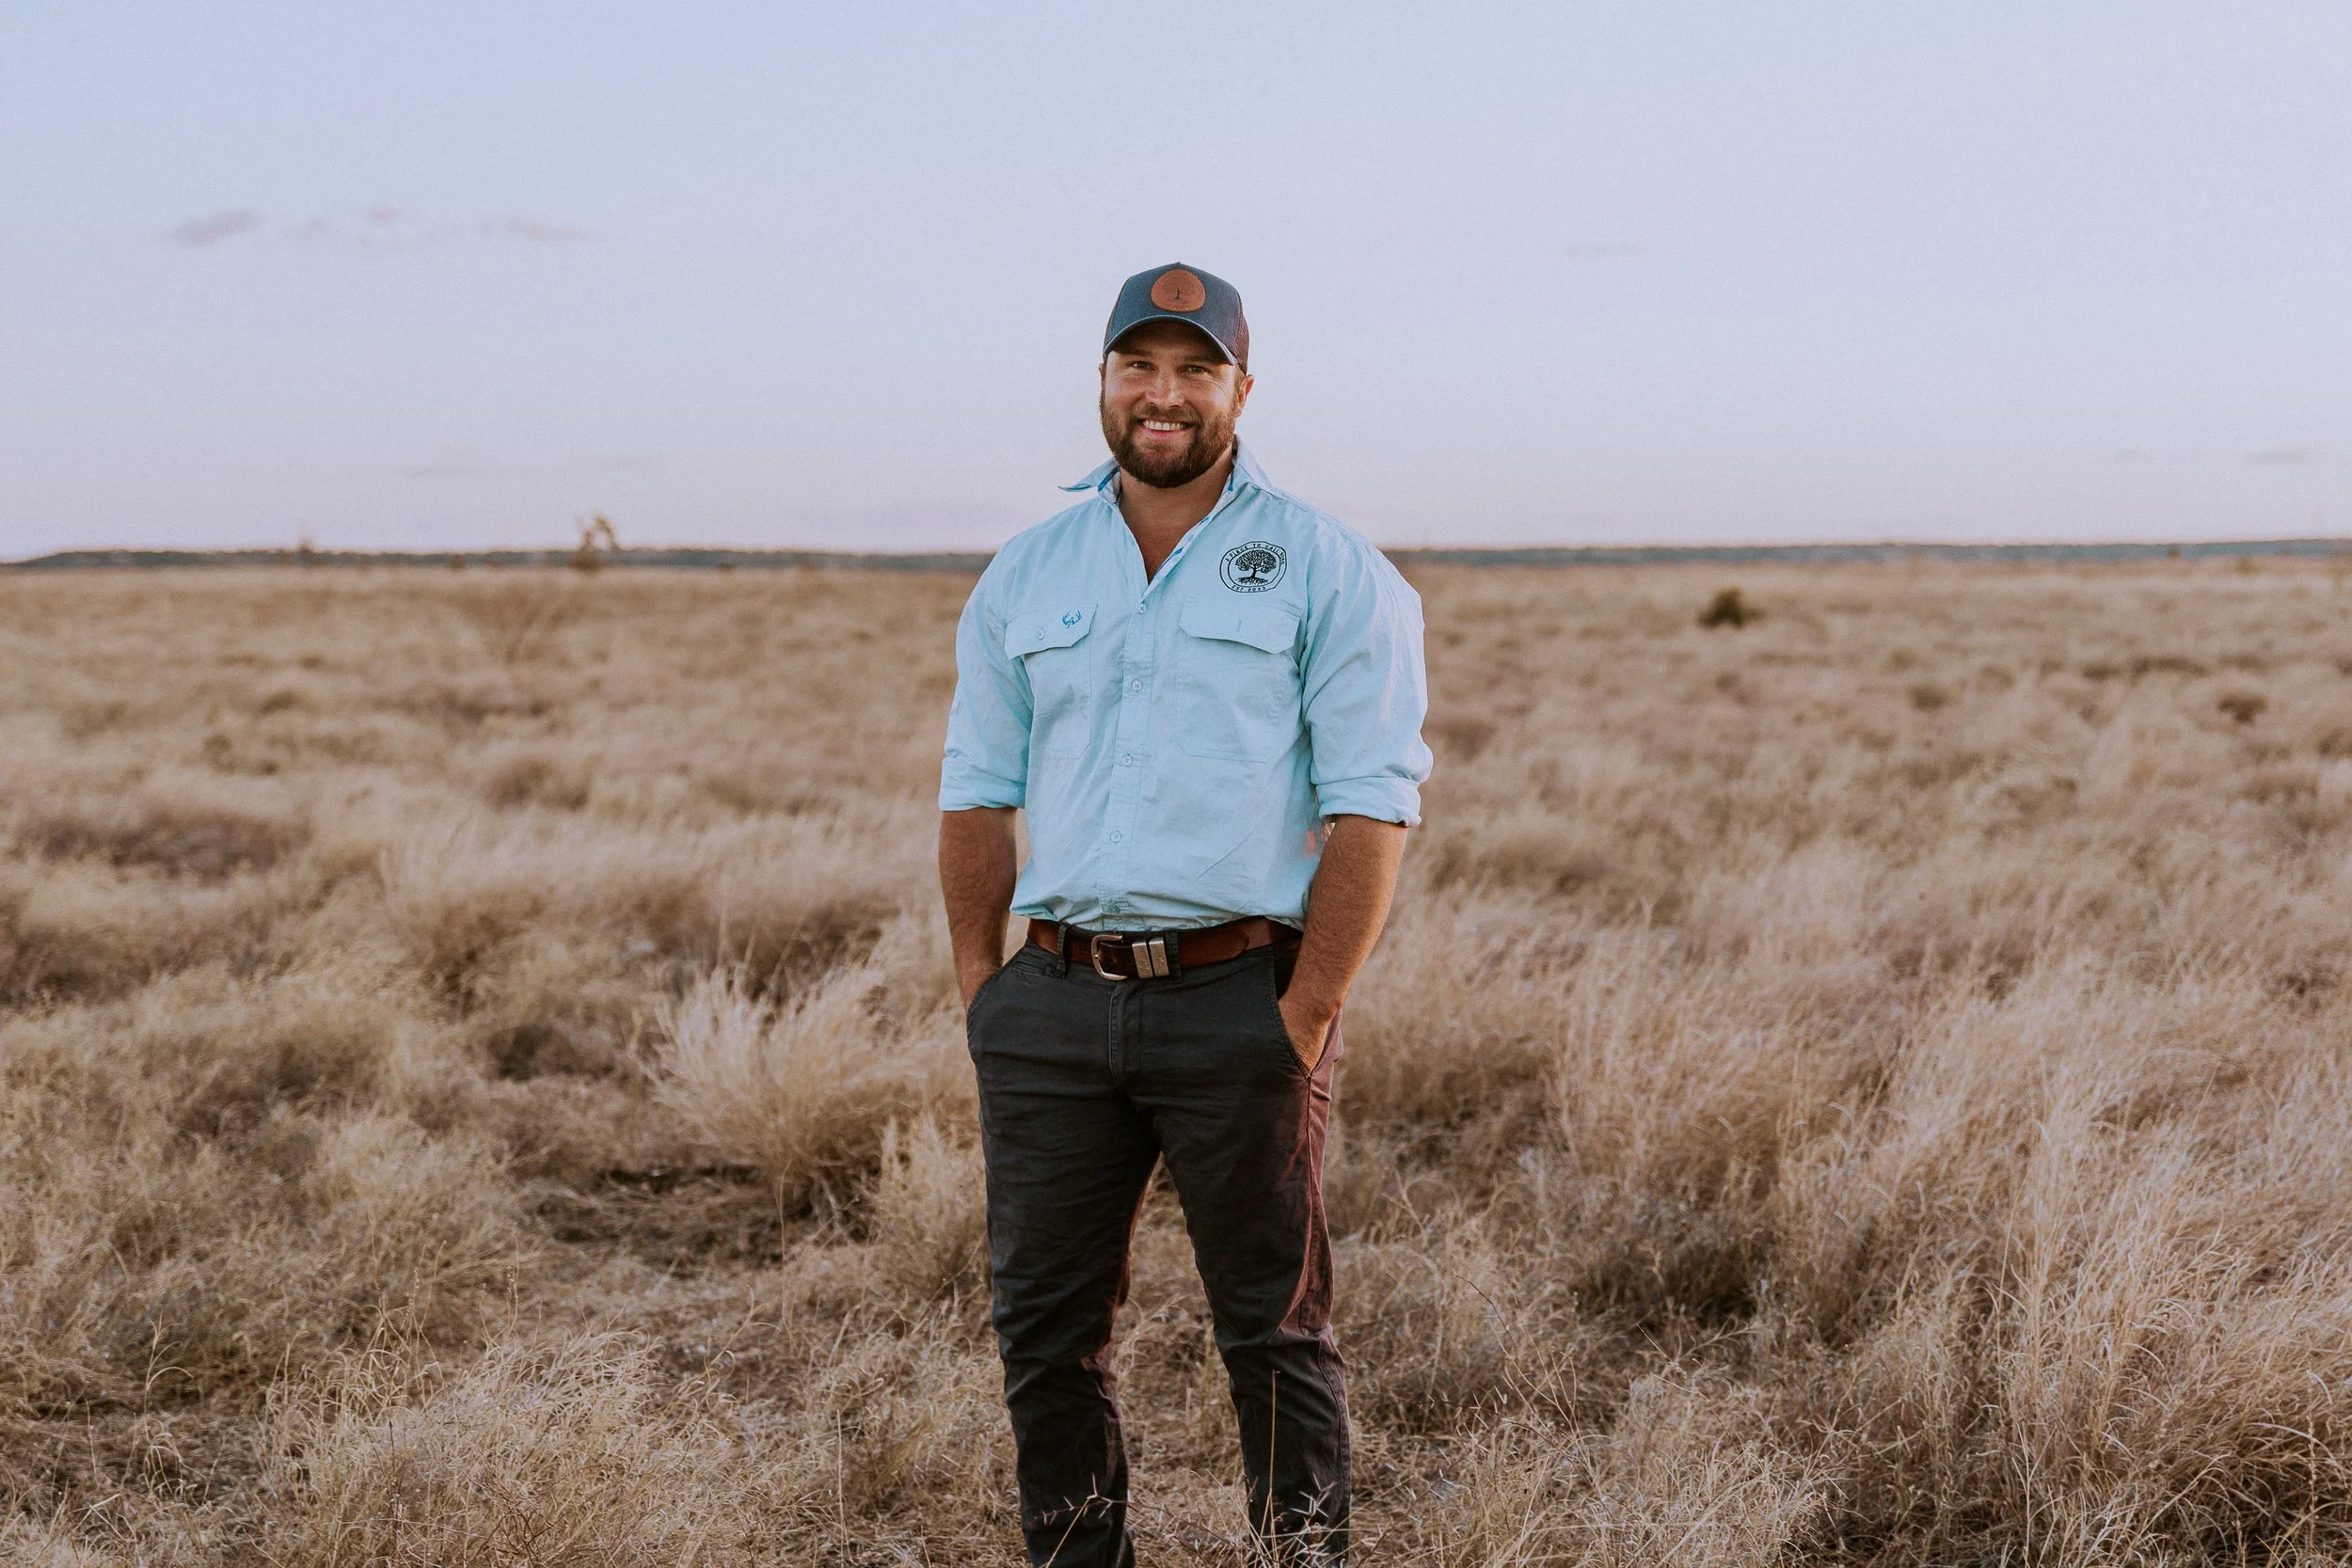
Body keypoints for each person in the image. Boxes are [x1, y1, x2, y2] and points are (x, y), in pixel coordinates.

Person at [937, 262, 1432, 1566]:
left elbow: (1372, 811)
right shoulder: (1028, 572)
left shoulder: (1328, 566)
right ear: (1103, 382)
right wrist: (983, 993)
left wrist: (1304, 1012)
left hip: (1239, 1005)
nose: (1164, 395)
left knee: (1273, 1331)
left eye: (1195, 370)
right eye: (1139, 367)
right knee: (1045, 1332)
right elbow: (978, 792)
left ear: (1241, 390)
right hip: (1051, 1006)